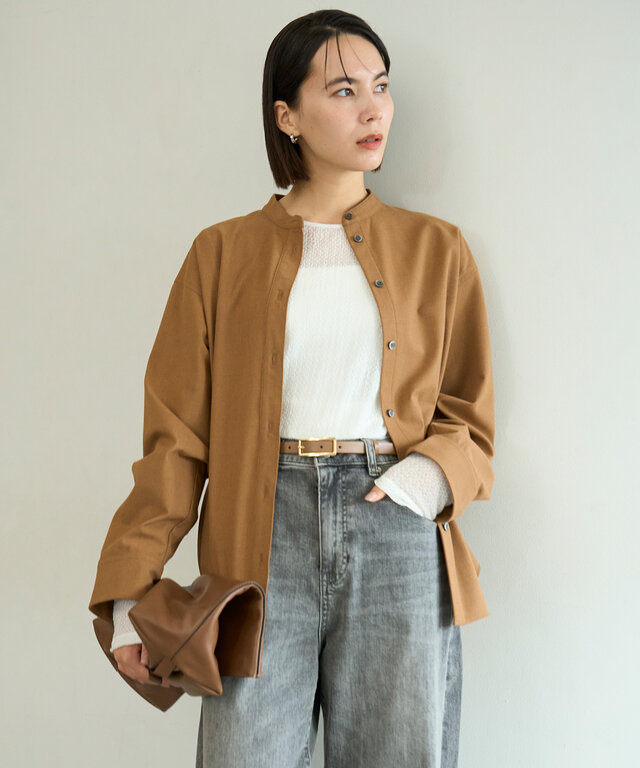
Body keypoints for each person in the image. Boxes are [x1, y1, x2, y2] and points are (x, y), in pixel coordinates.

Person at [91, 9, 495, 767]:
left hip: (396, 529)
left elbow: (469, 417)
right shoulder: (220, 254)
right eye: (343, 90)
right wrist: (126, 593)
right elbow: (176, 438)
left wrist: (418, 483)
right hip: (258, 537)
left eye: (380, 86)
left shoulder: (437, 249)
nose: (373, 108)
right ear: (288, 116)